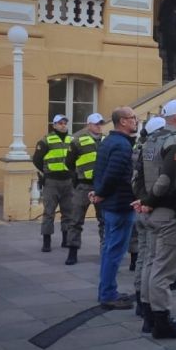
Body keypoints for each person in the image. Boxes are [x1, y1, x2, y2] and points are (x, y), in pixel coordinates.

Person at [134, 100, 176, 339]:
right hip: (167, 212)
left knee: (150, 262)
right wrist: (150, 200)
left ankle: (149, 317)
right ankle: (163, 322)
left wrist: (143, 200)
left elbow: (137, 175)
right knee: (164, 269)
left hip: (150, 213)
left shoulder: (151, 139)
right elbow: (168, 178)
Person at [90, 107, 138, 309]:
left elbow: (100, 171)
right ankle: (108, 294)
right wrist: (100, 192)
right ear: (123, 122)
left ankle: (107, 290)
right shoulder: (121, 145)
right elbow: (114, 174)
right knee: (115, 251)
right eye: (133, 118)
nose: (136, 121)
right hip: (119, 204)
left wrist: (98, 191)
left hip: (111, 203)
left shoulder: (108, 141)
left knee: (110, 248)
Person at [131, 116, 165, 326]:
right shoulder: (156, 150)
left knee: (144, 257)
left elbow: (135, 180)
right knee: (152, 258)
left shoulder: (141, 147)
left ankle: (140, 301)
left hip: (141, 205)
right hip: (150, 208)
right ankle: (147, 304)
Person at [63, 113, 106, 265]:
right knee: (76, 220)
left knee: (104, 220)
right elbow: (69, 163)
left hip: (102, 185)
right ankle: (72, 252)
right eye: (96, 124)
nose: (99, 126)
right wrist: (76, 179)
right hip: (83, 185)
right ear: (89, 125)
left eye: (101, 123)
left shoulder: (107, 141)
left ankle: (104, 252)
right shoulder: (77, 141)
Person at [32, 114, 74, 253]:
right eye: (60, 123)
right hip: (51, 181)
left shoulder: (71, 140)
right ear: (54, 125)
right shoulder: (46, 140)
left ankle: (66, 239)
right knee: (49, 212)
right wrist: (47, 171)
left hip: (68, 181)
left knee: (68, 212)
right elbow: (37, 160)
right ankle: (47, 242)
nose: (63, 125)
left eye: (64, 123)